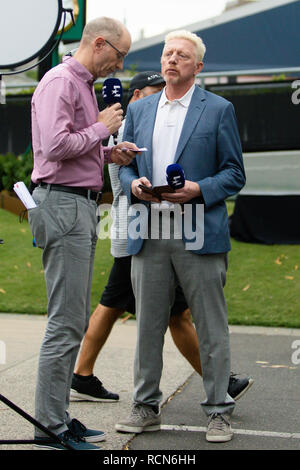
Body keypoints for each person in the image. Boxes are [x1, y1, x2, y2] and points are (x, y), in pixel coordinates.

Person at [70, 72, 253, 405]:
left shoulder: (145, 123)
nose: (164, 98)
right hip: (136, 233)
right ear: (138, 95)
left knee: (136, 308)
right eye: (155, 92)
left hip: (147, 231)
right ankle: (220, 382)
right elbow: (117, 175)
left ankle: (83, 373)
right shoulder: (127, 127)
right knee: (153, 311)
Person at [116, 30, 246, 443]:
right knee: (148, 325)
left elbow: (234, 173)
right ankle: (145, 406)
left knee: (210, 325)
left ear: (198, 66)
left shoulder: (219, 109)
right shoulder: (140, 110)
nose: (172, 60)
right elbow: (123, 165)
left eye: (182, 55)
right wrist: (132, 184)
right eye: (168, 53)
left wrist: (199, 189)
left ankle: (219, 410)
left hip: (199, 229)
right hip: (148, 229)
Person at [28, 17, 139, 451]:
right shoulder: (60, 81)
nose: (121, 64)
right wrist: (102, 129)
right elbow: (55, 147)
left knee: (71, 319)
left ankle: (56, 417)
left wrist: (112, 151)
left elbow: (75, 145)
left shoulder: (81, 83)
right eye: (120, 54)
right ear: (99, 43)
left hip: (77, 204)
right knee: (66, 321)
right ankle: (49, 427)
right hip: (63, 204)